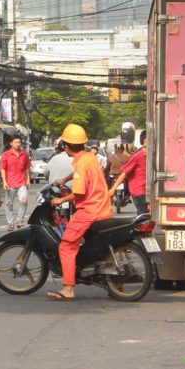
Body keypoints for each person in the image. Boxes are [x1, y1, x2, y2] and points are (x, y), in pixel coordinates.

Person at [47, 124, 113, 301]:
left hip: (89, 210)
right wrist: (65, 179)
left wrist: (60, 200)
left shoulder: (83, 163)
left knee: (67, 245)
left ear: (67, 146)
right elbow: (79, 173)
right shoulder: (89, 158)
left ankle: (68, 289)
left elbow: (78, 193)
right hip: (102, 208)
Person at [108, 131, 149, 215]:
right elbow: (124, 174)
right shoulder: (137, 156)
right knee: (143, 218)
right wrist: (113, 189)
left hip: (150, 191)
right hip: (140, 192)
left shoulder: (154, 155)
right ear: (146, 140)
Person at [0, 136, 31, 231]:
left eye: (19, 142)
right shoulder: (6, 155)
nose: (18, 144)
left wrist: (28, 179)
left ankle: (20, 221)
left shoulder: (24, 154)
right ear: (11, 143)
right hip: (10, 183)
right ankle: (11, 223)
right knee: (9, 204)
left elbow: (27, 168)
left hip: (22, 182)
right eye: (16, 142)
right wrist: (4, 182)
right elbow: (2, 169)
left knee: (24, 201)